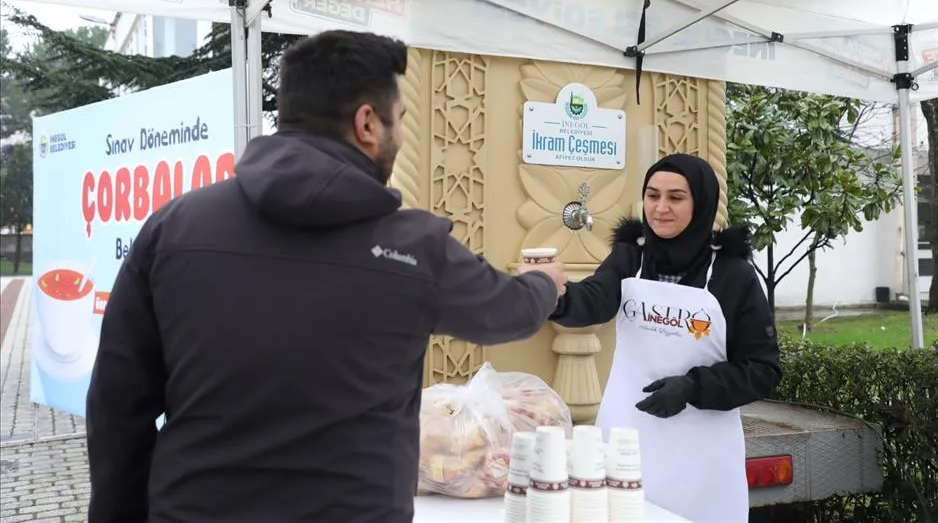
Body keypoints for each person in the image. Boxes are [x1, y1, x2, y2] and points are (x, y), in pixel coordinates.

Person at [85, 30, 568, 523]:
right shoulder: (414, 248)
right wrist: (545, 282)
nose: (400, 135)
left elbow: (118, 405)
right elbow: (507, 312)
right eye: (399, 120)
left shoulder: (174, 227)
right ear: (367, 123)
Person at [537, 153, 781, 523]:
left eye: (675, 198)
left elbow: (762, 369)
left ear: (701, 205)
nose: (660, 208)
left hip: (700, 457)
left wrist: (692, 388)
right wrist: (552, 295)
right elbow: (594, 300)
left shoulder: (733, 275)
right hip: (624, 440)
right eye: (652, 196)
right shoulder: (630, 257)